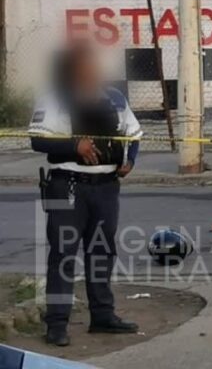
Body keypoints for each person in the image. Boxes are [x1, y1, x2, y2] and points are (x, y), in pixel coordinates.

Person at [27, 42, 143, 347]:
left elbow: (134, 134)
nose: (90, 69)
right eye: (83, 64)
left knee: (102, 252)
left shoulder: (115, 97)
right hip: (67, 185)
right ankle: (56, 324)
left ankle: (102, 316)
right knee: (63, 255)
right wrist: (74, 146)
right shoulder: (55, 98)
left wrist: (131, 161)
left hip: (106, 187)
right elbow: (37, 140)